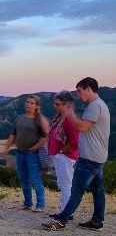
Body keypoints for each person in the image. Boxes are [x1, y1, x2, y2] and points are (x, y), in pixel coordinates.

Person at [42, 77, 110, 231]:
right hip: (97, 156)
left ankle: (61, 220)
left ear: (88, 88)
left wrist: (69, 113)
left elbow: (82, 127)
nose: (78, 95)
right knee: (98, 189)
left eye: (79, 91)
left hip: (89, 157)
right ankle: (97, 221)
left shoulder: (95, 106)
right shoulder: (100, 105)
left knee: (76, 190)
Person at [3, 95, 49, 213]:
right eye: (27, 102)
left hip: (32, 155)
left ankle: (41, 205)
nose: (28, 104)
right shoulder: (19, 118)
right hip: (19, 153)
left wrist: (33, 149)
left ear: (36, 106)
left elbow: (44, 139)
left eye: (31, 103)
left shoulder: (39, 120)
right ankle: (27, 203)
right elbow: (13, 134)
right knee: (23, 179)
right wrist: (6, 148)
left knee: (35, 179)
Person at [47, 91, 79, 219]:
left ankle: (67, 213)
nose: (55, 106)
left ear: (66, 105)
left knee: (66, 185)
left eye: (58, 104)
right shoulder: (61, 117)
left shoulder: (69, 119)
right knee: (63, 184)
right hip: (60, 156)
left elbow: (75, 141)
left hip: (66, 157)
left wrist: (61, 151)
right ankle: (63, 211)